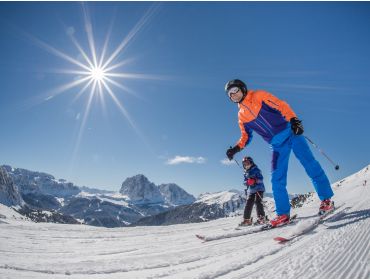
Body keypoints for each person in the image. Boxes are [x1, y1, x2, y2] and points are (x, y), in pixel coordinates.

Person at [225, 79, 334, 227]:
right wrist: (236, 148)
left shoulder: (259, 95)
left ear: (243, 89)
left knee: (310, 165)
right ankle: (283, 214)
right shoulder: (241, 116)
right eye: (230, 94)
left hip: (291, 133)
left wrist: (294, 120)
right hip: (276, 145)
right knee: (277, 178)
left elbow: (281, 105)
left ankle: (326, 200)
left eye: (235, 90)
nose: (234, 95)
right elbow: (246, 136)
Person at [239, 156, 267, 226]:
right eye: (244, 164)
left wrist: (254, 180)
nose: (246, 165)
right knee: (249, 203)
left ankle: (262, 218)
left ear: (251, 162)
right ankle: (247, 219)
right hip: (252, 190)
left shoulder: (256, 170)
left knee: (258, 202)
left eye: (247, 163)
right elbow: (244, 182)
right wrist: (247, 182)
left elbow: (261, 179)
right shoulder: (246, 172)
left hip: (259, 189)